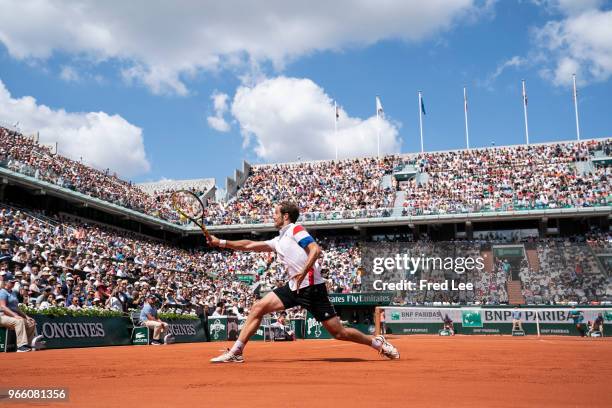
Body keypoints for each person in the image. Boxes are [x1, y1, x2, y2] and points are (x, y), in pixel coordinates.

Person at [209, 202, 399, 363]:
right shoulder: (279, 239)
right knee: (258, 307)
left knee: (339, 333)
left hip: (312, 288)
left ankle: (377, 343)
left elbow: (315, 250)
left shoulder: (295, 229)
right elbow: (249, 245)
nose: (272, 216)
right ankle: (236, 352)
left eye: (275, 213)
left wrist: (303, 272)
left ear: (285, 216)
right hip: (293, 287)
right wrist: (221, 242)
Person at [0, 278, 37, 352]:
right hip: (2, 316)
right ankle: (21, 346)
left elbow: (16, 308)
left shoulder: (13, 292)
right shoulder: (2, 292)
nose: (13, 284)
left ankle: (27, 345)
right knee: (19, 321)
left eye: (14, 282)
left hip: (12, 317)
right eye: (12, 282)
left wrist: (26, 316)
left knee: (31, 323)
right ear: (6, 283)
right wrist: (15, 315)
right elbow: (3, 307)